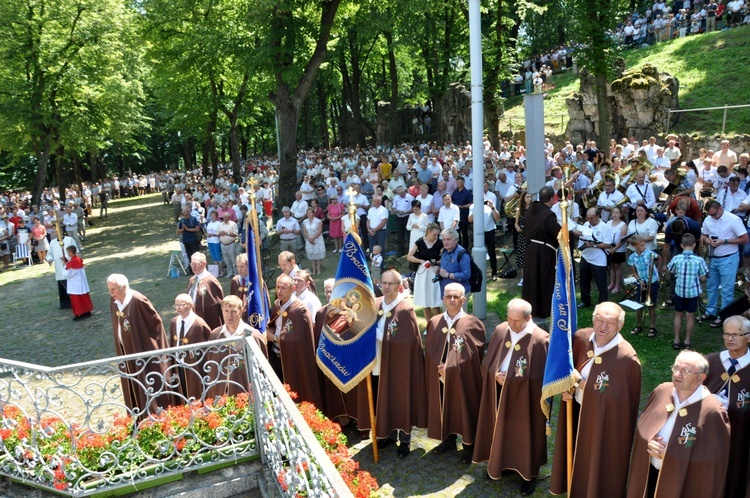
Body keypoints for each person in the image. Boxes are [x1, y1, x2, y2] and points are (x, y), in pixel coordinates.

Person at [550, 302, 642, 497]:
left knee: (596, 461)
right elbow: (569, 370)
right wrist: (570, 389)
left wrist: (583, 384)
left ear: (620, 326)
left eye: (610, 322)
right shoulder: (582, 338)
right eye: (599, 320)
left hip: (603, 423)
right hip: (576, 409)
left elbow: (621, 403)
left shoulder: (627, 359)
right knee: (576, 454)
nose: (603, 326)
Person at [626, 351, 730, 498]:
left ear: (701, 378)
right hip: (649, 472)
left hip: (681, 484)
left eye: (685, 371)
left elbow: (713, 461)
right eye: (675, 368)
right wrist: (649, 442)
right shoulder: (662, 391)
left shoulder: (712, 411)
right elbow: (644, 426)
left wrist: (670, 454)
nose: (677, 374)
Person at [472, 298, 549, 496]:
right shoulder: (501, 330)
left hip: (525, 400)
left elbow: (540, 379)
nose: (512, 324)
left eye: (517, 321)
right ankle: (501, 464)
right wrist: (494, 374)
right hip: (498, 391)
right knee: (500, 426)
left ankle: (528, 475)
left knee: (524, 432)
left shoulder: (541, 339)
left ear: (529, 318)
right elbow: (488, 363)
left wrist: (512, 381)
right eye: (509, 319)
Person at [354, 270, 427, 459]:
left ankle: (404, 440)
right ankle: (387, 434)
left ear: (399, 286)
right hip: (377, 364)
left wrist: (377, 335)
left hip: (398, 368)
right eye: (384, 283)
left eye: (391, 284)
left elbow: (407, 341)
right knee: (382, 400)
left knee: (400, 401)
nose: (386, 287)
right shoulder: (376, 304)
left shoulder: (405, 310)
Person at [425, 283, 486, 464]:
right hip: (439, 376)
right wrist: (438, 365)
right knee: (444, 405)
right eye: (448, 296)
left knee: (463, 407)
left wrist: (450, 367)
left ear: (463, 299)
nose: (452, 300)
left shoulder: (472, 324)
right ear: (443, 299)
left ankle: (469, 446)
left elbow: (474, 354)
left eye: (456, 297)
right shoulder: (435, 322)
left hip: (462, 377)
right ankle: (448, 440)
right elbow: (430, 348)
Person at [107, 274, 173, 415]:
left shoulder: (138, 300)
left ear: (124, 287)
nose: (111, 293)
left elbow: (155, 324)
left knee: (147, 384)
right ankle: (137, 416)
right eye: (110, 289)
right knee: (133, 385)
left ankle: (154, 415)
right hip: (126, 353)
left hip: (142, 351)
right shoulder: (115, 302)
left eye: (114, 289)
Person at [705, 316, 750, 498]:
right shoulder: (710, 362)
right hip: (709, 435)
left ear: (748, 337)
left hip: (741, 437)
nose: (730, 339)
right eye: (726, 334)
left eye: (736, 335)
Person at [266, 273, 322, 407]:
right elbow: (274, 324)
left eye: (283, 288)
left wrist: (274, 338)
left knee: (295, 391)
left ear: (293, 288)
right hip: (276, 355)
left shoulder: (299, 309)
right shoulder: (277, 305)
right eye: (277, 287)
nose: (279, 291)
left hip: (293, 359)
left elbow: (300, 339)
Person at [205, 295, 267, 398]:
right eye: (226, 311)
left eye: (233, 311)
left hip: (245, 393)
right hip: (219, 395)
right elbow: (211, 366)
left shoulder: (253, 335)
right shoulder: (215, 335)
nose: (230, 315)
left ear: (241, 310)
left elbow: (263, 367)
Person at [701, 200, 749, 328]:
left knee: (727, 289)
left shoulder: (733, 220)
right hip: (713, 257)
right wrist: (707, 239)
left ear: (720, 209)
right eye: (710, 214)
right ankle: (710, 311)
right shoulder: (708, 219)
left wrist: (724, 241)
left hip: (728, 258)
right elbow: (704, 235)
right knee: (711, 286)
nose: (712, 217)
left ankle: (724, 316)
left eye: (714, 214)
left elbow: (745, 239)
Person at [522, 186, 560, 318]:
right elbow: (557, 233)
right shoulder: (548, 215)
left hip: (531, 249)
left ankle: (529, 310)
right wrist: (572, 234)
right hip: (543, 252)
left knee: (532, 280)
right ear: (551, 199)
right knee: (543, 279)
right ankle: (542, 310)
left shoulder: (532, 209)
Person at [667, 233, 708, 350]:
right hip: (693, 292)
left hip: (680, 291)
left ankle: (676, 339)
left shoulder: (676, 258)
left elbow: (670, 271)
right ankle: (687, 340)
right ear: (694, 245)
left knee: (678, 315)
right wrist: (700, 279)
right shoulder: (699, 260)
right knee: (690, 316)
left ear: (681, 245)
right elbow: (703, 278)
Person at [168, 293, 212, 402]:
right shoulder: (174, 322)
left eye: (181, 305)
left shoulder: (198, 324)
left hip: (194, 365)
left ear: (190, 305)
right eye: (176, 305)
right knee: (182, 390)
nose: (178, 308)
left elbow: (208, 345)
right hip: (179, 363)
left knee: (195, 391)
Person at [574, 208, 612, 307]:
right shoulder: (586, 225)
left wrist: (594, 245)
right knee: (584, 280)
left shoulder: (605, 227)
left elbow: (608, 244)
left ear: (598, 216)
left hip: (599, 259)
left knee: (601, 283)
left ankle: (603, 303)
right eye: (588, 217)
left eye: (592, 218)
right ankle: (585, 300)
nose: (589, 220)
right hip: (586, 256)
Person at [407, 223, 443, 322]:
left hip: (434, 272)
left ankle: (437, 324)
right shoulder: (419, 242)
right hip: (423, 272)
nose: (436, 237)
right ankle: (429, 325)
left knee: (435, 300)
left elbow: (445, 258)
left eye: (437, 235)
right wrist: (420, 261)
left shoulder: (440, 243)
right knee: (425, 300)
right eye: (434, 234)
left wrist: (436, 262)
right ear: (429, 231)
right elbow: (409, 256)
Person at [627, 235, 661, 338]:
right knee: (639, 305)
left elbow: (659, 258)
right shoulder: (632, 258)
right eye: (641, 245)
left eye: (644, 244)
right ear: (634, 246)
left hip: (652, 282)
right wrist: (639, 280)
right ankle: (639, 325)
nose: (643, 247)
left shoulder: (649, 253)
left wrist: (658, 271)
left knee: (651, 305)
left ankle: (652, 327)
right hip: (641, 282)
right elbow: (634, 272)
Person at [187, 252, 224, 330]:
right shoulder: (192, 280)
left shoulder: (211, 281)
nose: (193, 266)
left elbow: (216, 304)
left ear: (204, 264)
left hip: (206, 320)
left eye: (196, 264)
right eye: (191, 264)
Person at [468, 197, 501, 281]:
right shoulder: (473, 206)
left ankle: (494, 273)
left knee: (491, 252)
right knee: (476, 252)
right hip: (478, 233)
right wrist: (477, 210)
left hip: (489, 231)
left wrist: (493, 208)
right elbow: (470, 220)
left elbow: (497, 218)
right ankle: (476, 274)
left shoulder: (489, 205)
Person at [436, 228, 471, 298]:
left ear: (456, 240)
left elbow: (466, 275)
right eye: (444, 239)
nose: (445, 242)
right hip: (445, 293)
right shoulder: (445, 251)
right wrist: (439, 270)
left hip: (458, 295)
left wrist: (448, 275)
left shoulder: (462, 254)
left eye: (448, 239)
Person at [46, 233, 76, 309]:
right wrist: (49, 259)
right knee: (61, 285)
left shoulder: (69, 240)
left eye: (57, 232)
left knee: (70, 284)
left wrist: (66, 257)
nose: (56, 234)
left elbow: (75, 252)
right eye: (54, 232)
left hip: (69, 266)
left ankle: (74, 301)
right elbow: (49, 253)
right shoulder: (52, 242)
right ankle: (64, 303)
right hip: (59, 267)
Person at [64, 245, 93, 320]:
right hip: (81, 282)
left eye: (68, 252)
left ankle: (79, 313)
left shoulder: (73, 262)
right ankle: (87, 311)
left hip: (75, 284)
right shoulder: (77, 259)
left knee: (77, 299)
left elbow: (69, 274)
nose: (68, 254)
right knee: (84, 297)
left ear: (70, 252)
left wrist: (65, 266)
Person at [302, 207, 325, 275]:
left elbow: (320, 231)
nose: (308, 214)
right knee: (312, 255)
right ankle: (313, 269)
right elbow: (304, 231)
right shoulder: (305, 222)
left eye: (310, 212)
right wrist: (309, 239)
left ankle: (318, 269)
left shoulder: (318, 221)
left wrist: (313, 238)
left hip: (317, 239)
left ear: (313, 213)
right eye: (307, 213)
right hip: (309, 239)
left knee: (317, 254)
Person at [218, 211, 238, 278]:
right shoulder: (220, 224)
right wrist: (220, 233)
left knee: (233, 260)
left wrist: (227, 233)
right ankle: (230, 273)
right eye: (224, 218)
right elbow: (217, 233)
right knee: (226, 260)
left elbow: (235, 234)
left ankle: (236, 273)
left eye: (226, 218)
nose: (225, 219)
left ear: (229, 217)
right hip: (223, 244)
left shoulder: (233, 224)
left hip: (231, 244)